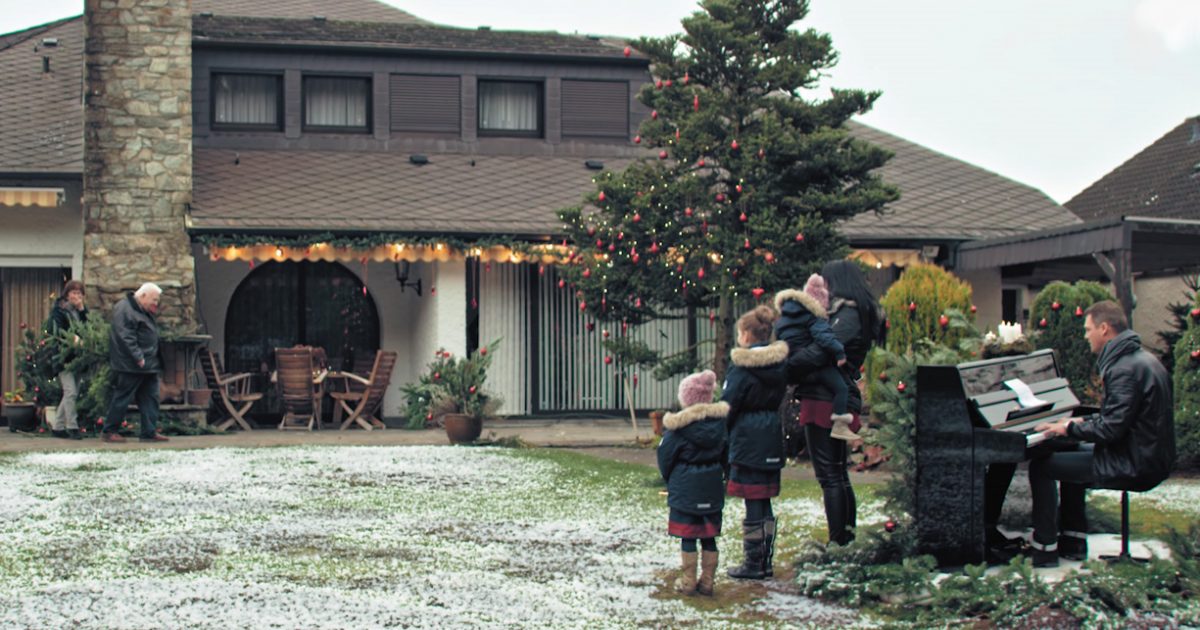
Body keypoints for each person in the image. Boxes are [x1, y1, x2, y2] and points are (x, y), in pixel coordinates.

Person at [1027, 300, 1175, 567]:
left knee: (1042, 467)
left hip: (1134, 463)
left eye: (1088, 329)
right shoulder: (1141, 360)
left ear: (1104, 329)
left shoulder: (1123, 369)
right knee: (1069, 451)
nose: (1086, 336)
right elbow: (1122, 417)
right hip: (1147, 455)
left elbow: (1110, 429)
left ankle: (1044, 551)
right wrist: (1081, 421)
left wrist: (1069, 426)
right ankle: (1073, 541)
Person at [788, 260, 884, 545]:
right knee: (838, 474)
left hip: (824, 400)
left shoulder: (848, 314)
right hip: (830, 396)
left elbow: (822, 352)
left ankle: (838, 543)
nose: (824, 288)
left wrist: (787, 364)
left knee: (830, 476)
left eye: (827, 282)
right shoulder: (855, 312)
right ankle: (845, 539)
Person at [723, 305, 789, 579]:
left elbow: (729, 405)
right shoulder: (779, 365)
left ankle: (753, 562)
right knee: (764, 500)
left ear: (748, 334)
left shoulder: (742, 368)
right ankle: (766, 559)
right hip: (771, 433)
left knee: (752, 500)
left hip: (748, 438)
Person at [657, 369, 729, 596]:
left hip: (685, 489)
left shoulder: (677, 430)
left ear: (686, 398)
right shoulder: (720, 426)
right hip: (712, 487)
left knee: (688, 535)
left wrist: (672, 478)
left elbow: (665, 458)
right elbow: (727, 456)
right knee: (709, 536)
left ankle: (688, 580)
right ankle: (708, 580)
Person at [775, 273, 856, 441]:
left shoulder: (784, 316)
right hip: (812, 364)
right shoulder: (813, 315)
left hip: (793, 365)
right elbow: (824, 337)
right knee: (841, 388)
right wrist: (839, 352)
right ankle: (840, 424)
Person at [102, 282, 169, 443]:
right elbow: (125, 336)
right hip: (132, 364)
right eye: (154, 299)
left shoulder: (142, 309)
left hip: (148, 364)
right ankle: (109, 431)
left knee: (151, 397)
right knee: (123, 397)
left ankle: (148, 432)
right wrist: (138, 356)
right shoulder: (124, 308)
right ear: (143, 295)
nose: (156, 303)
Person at [46, 280, 88, 440]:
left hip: (79, 358)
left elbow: (88, 327)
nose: (76, 296)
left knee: (73, 392)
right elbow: (59, 331)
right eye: (73, 293)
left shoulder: (81, 311)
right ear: (67, 294)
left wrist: (82, 309)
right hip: (63, 357)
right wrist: (73, 338)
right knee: (70, 392)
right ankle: (72, 426)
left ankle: (58, 427)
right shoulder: (59, 311)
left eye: (79, 293)